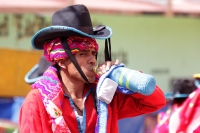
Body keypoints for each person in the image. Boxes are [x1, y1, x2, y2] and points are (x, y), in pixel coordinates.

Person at [19, 4, 166, 133]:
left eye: (94, 53)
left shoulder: (105, 93)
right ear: (62, 61)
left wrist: (120, 75)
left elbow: (156, 101)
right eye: (83, 54)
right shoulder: (37, 101)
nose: (93, 60)